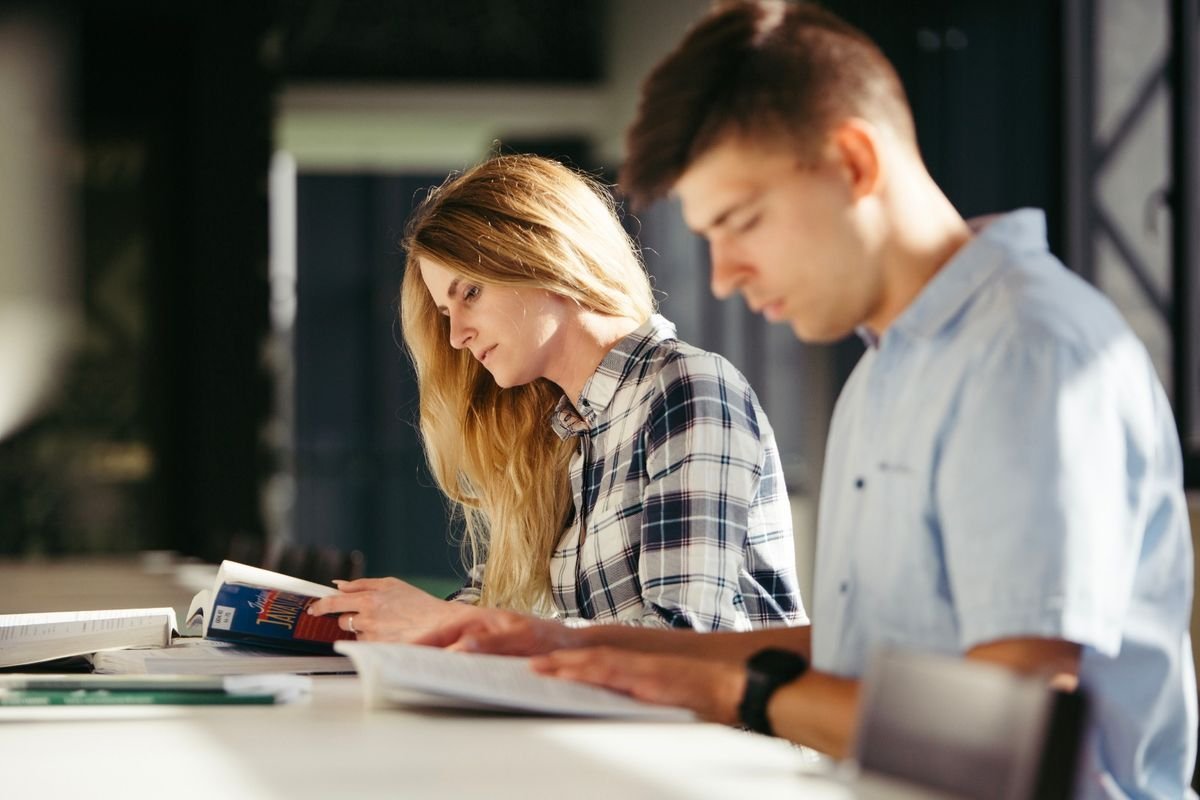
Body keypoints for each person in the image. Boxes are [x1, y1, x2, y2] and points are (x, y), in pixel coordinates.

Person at [415, 3, 1198, 797]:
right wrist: (553, 646)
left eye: (741, 221)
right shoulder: (887, 371)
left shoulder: (1025, 354)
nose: (722, 276)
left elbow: (1017, 725)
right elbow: (864, 659)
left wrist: (736, 693)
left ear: (854, 162)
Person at [307, 154, 805, 640]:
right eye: (444, 311)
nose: (457, 335)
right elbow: (492, 612)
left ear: (545, 258)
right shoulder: (560, 429)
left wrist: (450, 626)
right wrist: (372, 625)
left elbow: (688, 640)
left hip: (702, 727)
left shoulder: (684, 388)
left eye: (471, 293)